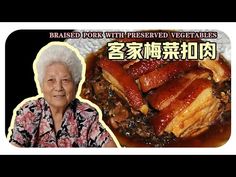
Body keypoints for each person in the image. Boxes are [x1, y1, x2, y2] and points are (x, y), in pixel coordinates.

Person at [7, 42, 118, 147]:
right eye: (51, 80)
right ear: (41, 85)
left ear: (76, 85)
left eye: (65, 80)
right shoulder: (29, 112)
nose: (58, 88)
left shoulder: (86, 114)